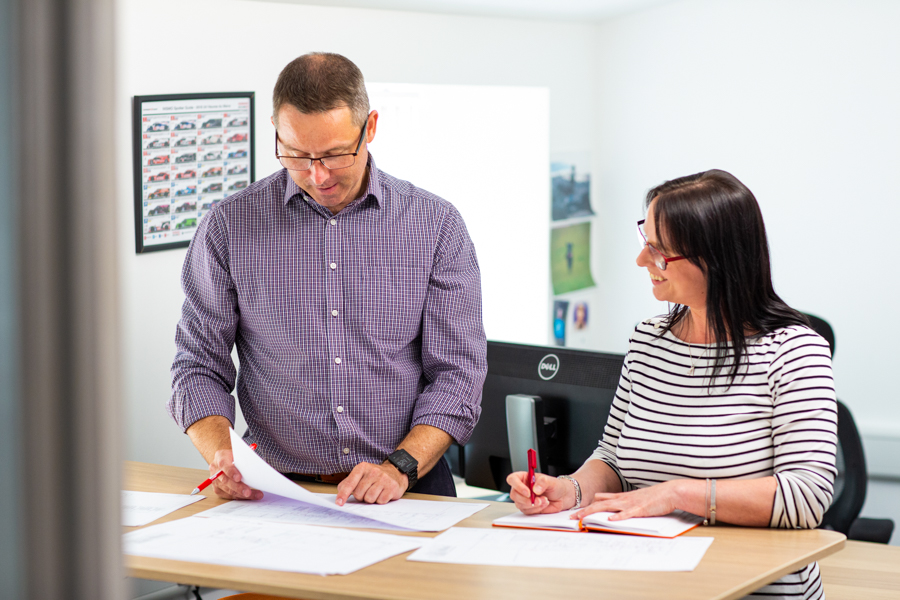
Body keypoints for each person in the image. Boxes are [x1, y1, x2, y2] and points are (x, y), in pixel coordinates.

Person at [169, 52, 487, 506]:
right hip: (276, 489)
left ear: (370, 127)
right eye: (296, 155)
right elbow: (198, 365)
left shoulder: (435, 225)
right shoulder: (228, 226)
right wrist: (223, 452)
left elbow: (457, 373)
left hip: (407, 488)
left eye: (335, 154)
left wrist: (399, 467)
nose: (317, 176)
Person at [507, 170, 837, 599]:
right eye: (645, 242)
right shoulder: (649, 338)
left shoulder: (794, 352)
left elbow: (807, 496)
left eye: (660, 251)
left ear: (715, 259)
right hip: (647, 582)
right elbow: (613, 458)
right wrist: (569, 490)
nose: (643, 261)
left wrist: (677, 494)